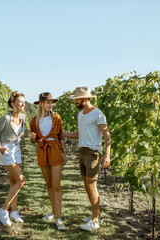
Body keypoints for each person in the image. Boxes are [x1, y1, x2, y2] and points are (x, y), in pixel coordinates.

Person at [64, 86, 111, 231]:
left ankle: (95, 220)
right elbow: (80, 134)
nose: (75, 103)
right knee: (87, 185)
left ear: (85, 99)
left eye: (77, 100)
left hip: (92, 153)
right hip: (82, 152)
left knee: (92, 185)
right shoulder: (81, 115)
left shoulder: (98, 114)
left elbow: (107, 135)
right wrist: (63, 133)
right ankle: (96, 215)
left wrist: (107, 154)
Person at [30, 92, 67, 230]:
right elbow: (33, 139)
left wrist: (64, 154)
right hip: (42, 151)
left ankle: (59, 218)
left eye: (51, 103)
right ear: (41, 104)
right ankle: (54, 211)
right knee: (49, 184)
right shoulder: (34, 121)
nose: (50, 105)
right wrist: (33, 138)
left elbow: (61, 136)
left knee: (56, 185)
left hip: (55, 151)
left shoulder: (56, 118)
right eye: (48, 103)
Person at [0, 91, 26, 226]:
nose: (23, 104)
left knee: (14, 181)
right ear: (12, 104)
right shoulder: (6, 118)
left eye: (23, 101)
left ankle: (14, 212)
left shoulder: (23, 118)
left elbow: (19, 134)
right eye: (20, 102)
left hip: (17, 149)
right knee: (21, 181)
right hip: (7, 150)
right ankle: (3, 210)